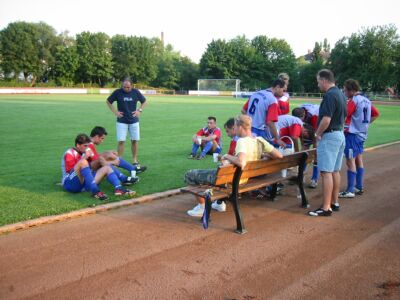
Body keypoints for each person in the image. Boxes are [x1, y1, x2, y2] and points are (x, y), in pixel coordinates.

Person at [185, 115, 283, 217]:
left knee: (190, 175)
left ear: (240, 127)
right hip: (246, 178)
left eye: (235, 127)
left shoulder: (241, 141)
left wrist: (227, 156)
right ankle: (219, 203)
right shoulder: (259, 140)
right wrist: (263, 155)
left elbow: (241, 162)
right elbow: (279, 155)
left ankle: (202, 206)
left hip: (234, 180)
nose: (234, 129)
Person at [308, 69, 347, 217]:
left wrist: (317, 134)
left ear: (324, 80)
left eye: (318, 81)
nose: (318, 85)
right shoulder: (341, 94)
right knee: (335, 170)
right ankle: (334, 202)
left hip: (330, 136)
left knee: (325, 172)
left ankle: (325, 208)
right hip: (339, 134)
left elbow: (326, 119)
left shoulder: (330, 95)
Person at [61, 134, 135, 200]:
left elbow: (95, 161)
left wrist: (108, 157)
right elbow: (70, 172)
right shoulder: (69, 153)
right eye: (85, 146)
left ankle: (119, 188)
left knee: (106, 168)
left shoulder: (85, 151)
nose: (87, 148)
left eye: (87, 145)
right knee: (83, 162)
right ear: (78, 145)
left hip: (84, 184)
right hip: (70, 184)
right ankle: (95, 191)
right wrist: (85, 157)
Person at [338, 79, 380, 198]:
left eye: (345, 90)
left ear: (351, 90)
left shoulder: (354, 100)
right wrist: (365, 125)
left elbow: (344, 114)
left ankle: (350, 190)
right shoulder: (366, 100)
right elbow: (376, 114)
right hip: (362, 134)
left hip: (352, 135)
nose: (344, 92)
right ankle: (359, 186)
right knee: (358, 159)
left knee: (350, 160)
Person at [106, 78, 147, 171]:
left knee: (134, 140)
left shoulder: (136, 92)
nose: (126, 89)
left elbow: (144, 101)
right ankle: (118, 160)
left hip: (134, 121)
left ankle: (135, 160)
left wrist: (139, 110)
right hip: (121, 121)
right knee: (121, 141)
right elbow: (108, 101)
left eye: (128, 87)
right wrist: (115, 112)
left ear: (132, 86)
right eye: (124, 87)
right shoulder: (117, 92)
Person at [241, 79, 286, 148]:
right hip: (258, 131)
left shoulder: (256, 94)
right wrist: (277, 139)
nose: (283, 93)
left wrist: (251, 119)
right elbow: (270, 122)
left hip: (247, 128)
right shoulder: (272, 100)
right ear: (277, 87)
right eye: (283, 90)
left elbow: (243, 110)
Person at [211, 117, 239, 212]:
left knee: (221, 172)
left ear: (234, 128)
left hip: (235, 177)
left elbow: (230, 158)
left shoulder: (236, 141)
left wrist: (222, 158)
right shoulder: (251, 138)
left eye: (228, 131)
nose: (227, 134)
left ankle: (220, 202)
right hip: (248, 175)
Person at [293, 105, 320, 188]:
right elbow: (298, 133)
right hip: (307, 129)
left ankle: (314, 179)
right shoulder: (297, 113)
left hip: (317, 129)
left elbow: (316, 133)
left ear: (303, 116)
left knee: (316, 154)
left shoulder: (314, 116)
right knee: (304, 152)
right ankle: (301, 175)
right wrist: (302, 144)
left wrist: (315, 147)